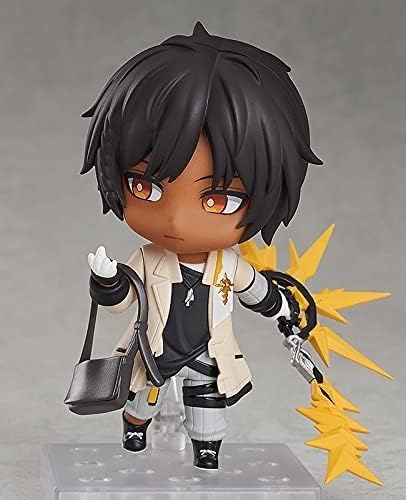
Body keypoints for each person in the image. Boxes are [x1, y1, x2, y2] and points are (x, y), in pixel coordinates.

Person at [81, 22, 322, 470]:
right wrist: (107, 282)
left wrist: (285, 312)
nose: (176, 220)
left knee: (209, 408)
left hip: (209, 352)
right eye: (145, 187)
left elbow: (259, 293)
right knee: (143, 401)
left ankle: (206, 451)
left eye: (218, 199)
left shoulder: (228, 263)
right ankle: (135, 430)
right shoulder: (149, 259)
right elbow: (123, 301)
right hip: (153, 352)